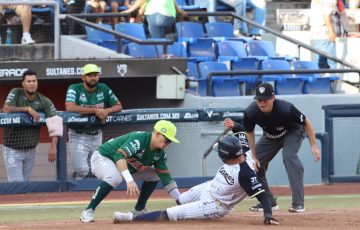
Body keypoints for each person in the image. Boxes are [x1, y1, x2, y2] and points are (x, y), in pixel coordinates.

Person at [113, 134, 279, 225]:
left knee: (173, 213)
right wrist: (232, 126)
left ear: (226, 155)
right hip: (210, 187)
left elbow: (263, 195)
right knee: (181, 199)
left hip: (216, 205)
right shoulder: (243, 149)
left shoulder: (245, 174)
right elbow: (241, 130)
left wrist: (268, 216)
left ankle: (129, 218)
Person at [224, 83, 321, 213]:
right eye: (259, 100)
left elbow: (306, 122)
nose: (262, 103)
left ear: (273, 97)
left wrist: (313, 145)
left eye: (265, 100)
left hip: (293, 132)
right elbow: (250, 133)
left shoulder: (286, 108)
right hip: (271, 136)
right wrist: (254, 156)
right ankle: (269, 202)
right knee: (254, 163)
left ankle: (298, 203)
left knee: (289, 156)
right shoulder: (251, 112)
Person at [80, 120, 181, 223]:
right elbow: (119, 155)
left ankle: (139, 209)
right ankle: (88, 210)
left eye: (170, 141)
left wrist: (180, 200)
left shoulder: (160, 154)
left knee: (155, 174)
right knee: (115, 177)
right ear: (157, 133)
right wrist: (129, 180)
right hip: (103, 158)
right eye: (167, 139)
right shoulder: (140, 139)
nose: (168, 143)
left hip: (123, 166)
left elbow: (166, 178)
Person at [2, 70, 63, 182]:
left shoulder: (43, 100)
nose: (32, 83)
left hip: (31, 149)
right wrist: (27, 109)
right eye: (29, 81)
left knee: (25, 182)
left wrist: (53, 146)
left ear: (37, 83)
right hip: (12, 149)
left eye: (34, 81)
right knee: (16, 183)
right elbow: (6, 108)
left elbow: (56, 121)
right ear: (23, 84)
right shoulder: (16, 92)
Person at [65, 63, 122, 180]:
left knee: (99, 167)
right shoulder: (75, 88)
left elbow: (118, 106)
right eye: (89, 75)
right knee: (82, 169)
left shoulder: (103, 88)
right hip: (78, 134)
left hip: (96, 134)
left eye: (95, 75)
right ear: (83, 77)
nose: (92, 78)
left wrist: (107, 110)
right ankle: (80, 180)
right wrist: (95, 110)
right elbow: (70, 107)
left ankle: (88, 187)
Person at [310, 0, 348, 69]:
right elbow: (326, 15)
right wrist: (331, 32)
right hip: (327, 37)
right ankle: (333, 79)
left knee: (320, 65)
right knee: (333, 64)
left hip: (322, 36)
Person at [122, 0, 187, 38]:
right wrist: (180, 11)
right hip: (170, 17)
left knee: (157, 43)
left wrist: (130, 10)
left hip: (155, 15)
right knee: (164, 41)